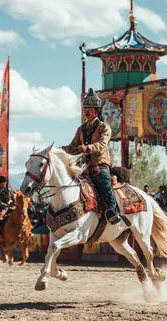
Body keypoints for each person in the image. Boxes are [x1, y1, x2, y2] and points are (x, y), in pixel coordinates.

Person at [61, 88, 120, 224]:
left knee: (103, 182)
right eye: (85, 108)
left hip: (99, 164)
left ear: (97, 111)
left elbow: (102, 144)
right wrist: (59, 151)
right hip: (83, 165)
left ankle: (112, 211)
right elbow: (72, 147)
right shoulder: (80, 129)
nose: (86, 111)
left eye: (90, 108)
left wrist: (88, 148)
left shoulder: (104, 127)